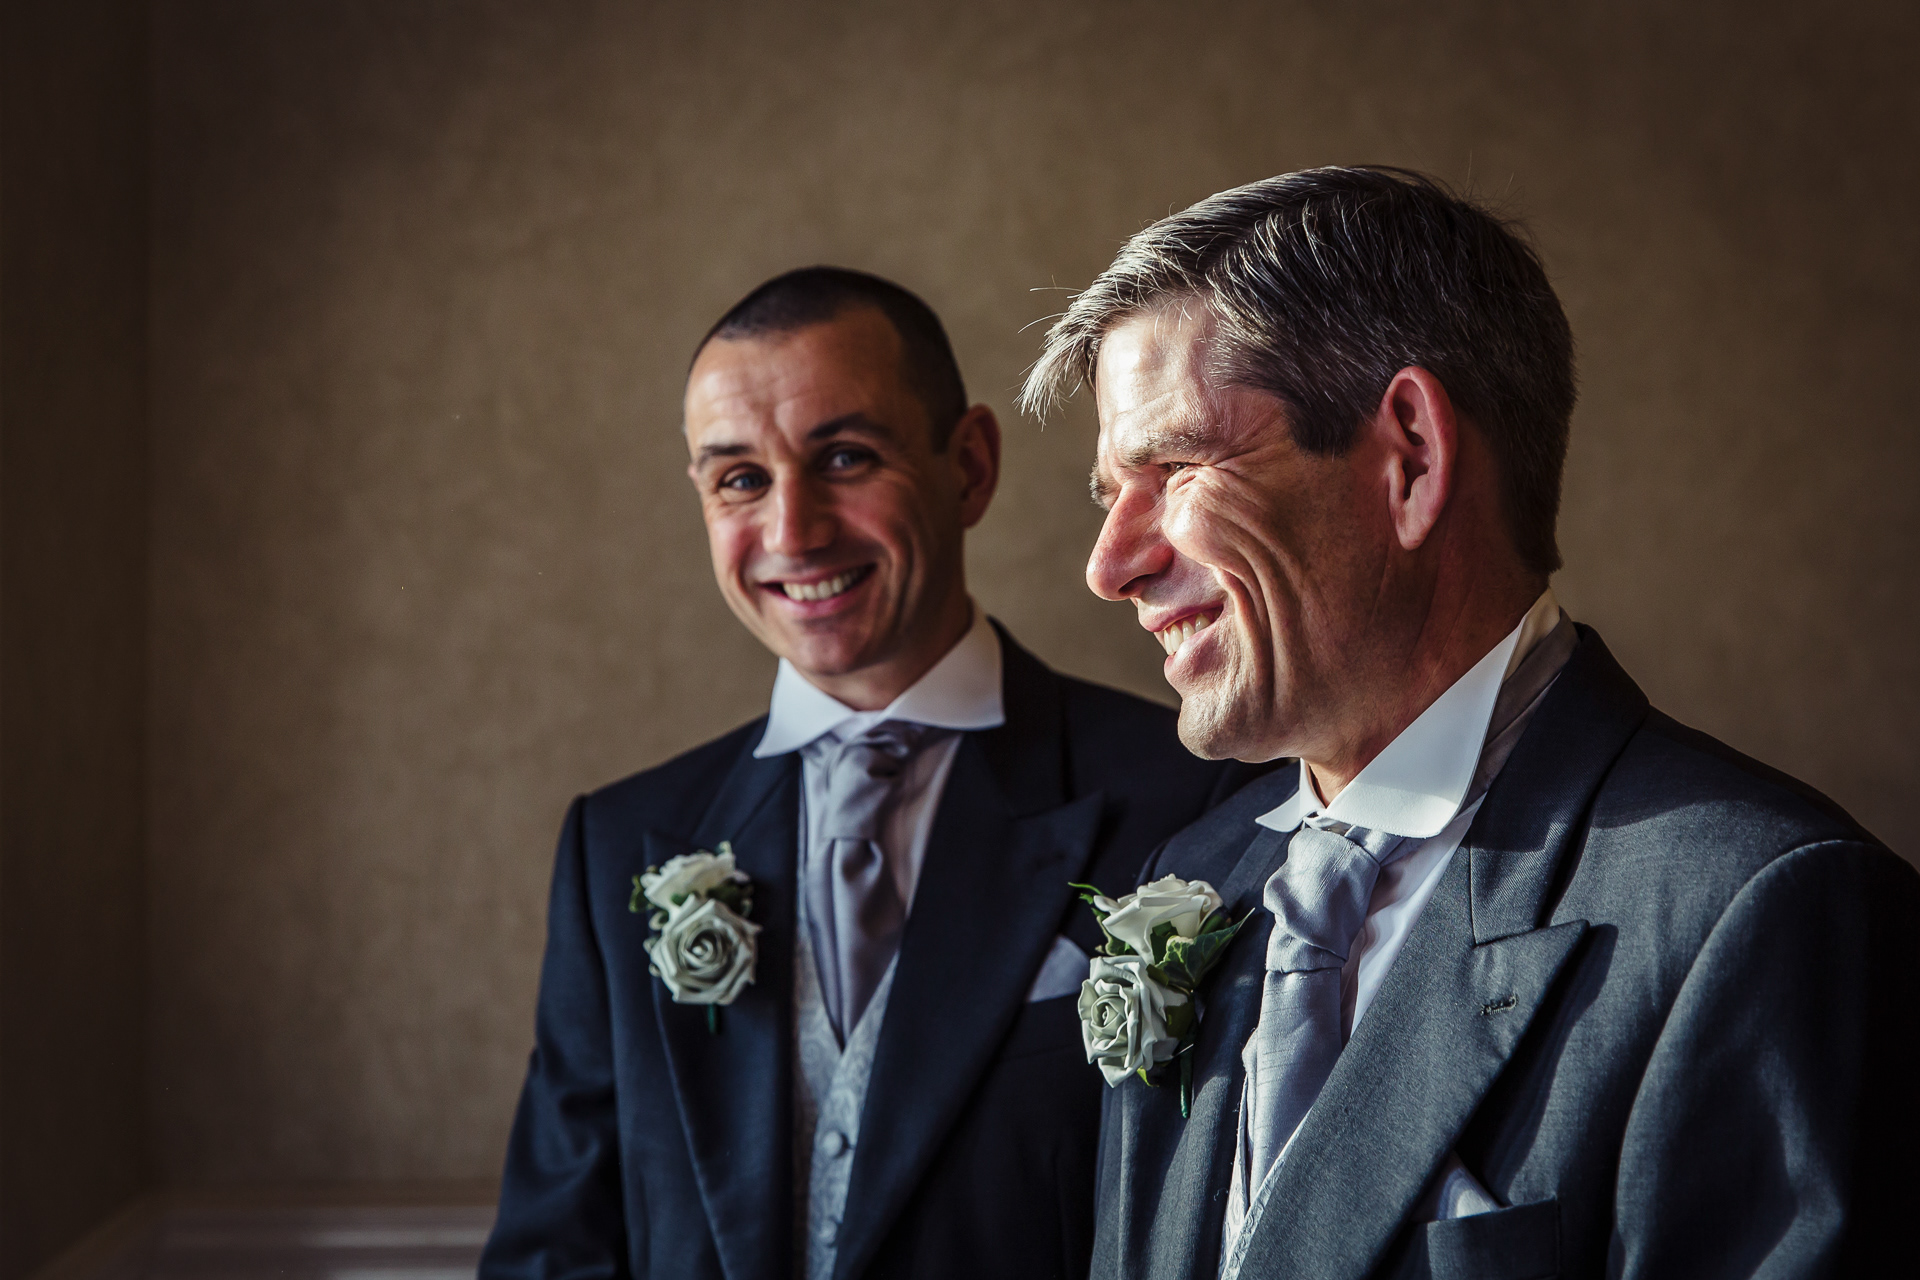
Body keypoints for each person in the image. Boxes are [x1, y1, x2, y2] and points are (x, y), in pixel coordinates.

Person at [1021, 168, 1918, 1279]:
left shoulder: (1762, 911)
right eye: (1110, 494)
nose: (1112, 566)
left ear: (1411, 456)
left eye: (1175, 468)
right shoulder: (1196, 876)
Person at [480, 267, 1263, 1280]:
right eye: (739, 479)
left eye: (844, 457)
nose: (792, 531)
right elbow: (554, 1253)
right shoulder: (619, 842)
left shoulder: (1197, 795)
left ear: (969, 465)